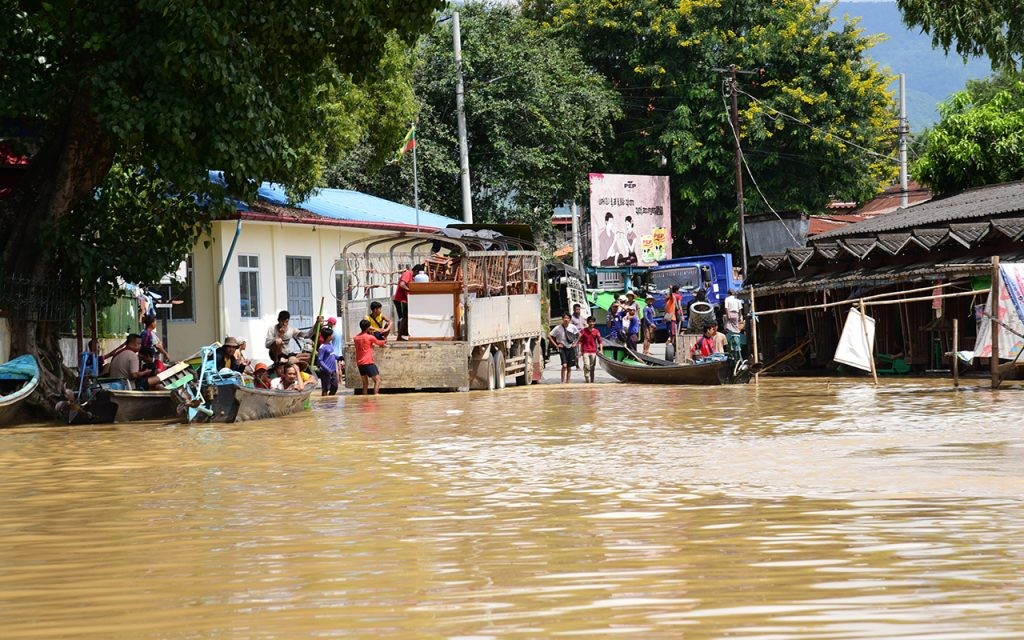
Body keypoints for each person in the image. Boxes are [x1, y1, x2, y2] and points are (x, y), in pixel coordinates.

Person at [354, 319, 388, 395]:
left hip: (360, 363)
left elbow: (366, 345)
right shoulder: (370, 337)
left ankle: (365, 398)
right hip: (368, 362)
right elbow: (379, 343)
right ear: (368, 327)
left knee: (365, 384)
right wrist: (384, 340)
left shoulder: (356, 338)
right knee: (377, 380)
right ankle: (376, 396)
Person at [393, 264, 424, 339]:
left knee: (405, 318)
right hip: (400, 299)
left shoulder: (412, 276)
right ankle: (399, 337)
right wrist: (410, 290)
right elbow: (402, 284)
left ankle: (401, 336)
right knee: (403, 318)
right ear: (416, 271)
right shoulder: (407, 274)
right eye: (418, 274)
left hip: (405, 300)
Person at [549, 313, 578, 383]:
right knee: (564, 365)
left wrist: (575, 343)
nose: (566, 320)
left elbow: (579, 335)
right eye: (565, 318)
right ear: (562, 319)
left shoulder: (573, 327)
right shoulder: (558, 328)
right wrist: (556, 345)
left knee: (569, 367)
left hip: (570, 348)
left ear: (570, 319)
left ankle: (568, 382)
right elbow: (549, 336)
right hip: (562, 348)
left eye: (568, 318)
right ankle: (562, 382)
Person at [578, 316, 603, 383]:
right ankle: (587, 378)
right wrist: (579, 351)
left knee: (592, 367)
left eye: (593, 322)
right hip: (585, 351)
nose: (591, 323)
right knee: (586, 366)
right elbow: (580, 342)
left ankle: (592, 381)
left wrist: (601, 350)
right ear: (588, 322)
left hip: (593, 351)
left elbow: (600, 342)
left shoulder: (596, 331)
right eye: (590, 322)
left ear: (594, 323)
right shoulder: (583, 331)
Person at [316, 327, 339, 396]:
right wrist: (328, 369)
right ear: (328, 336)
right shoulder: (322, 347)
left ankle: (330, 401)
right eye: (332, 335)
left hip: (333, 370)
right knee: (325, 389)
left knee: (335, 387)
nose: (333, 336)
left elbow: (332, 355)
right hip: (326, 372)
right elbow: (320, 361)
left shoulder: (330, 344)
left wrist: (339, 357)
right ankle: (324, 402)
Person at [723, 288, 745, 359]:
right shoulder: (738, 300)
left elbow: (726, 308)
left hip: (730, 314)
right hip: (736, 315)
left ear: (728, 293)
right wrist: (740, 316)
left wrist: (728, 315)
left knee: (728, 328)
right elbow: (740, 310)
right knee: (735, 328)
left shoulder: (727, 299)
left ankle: (732, 342)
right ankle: (736, 339)